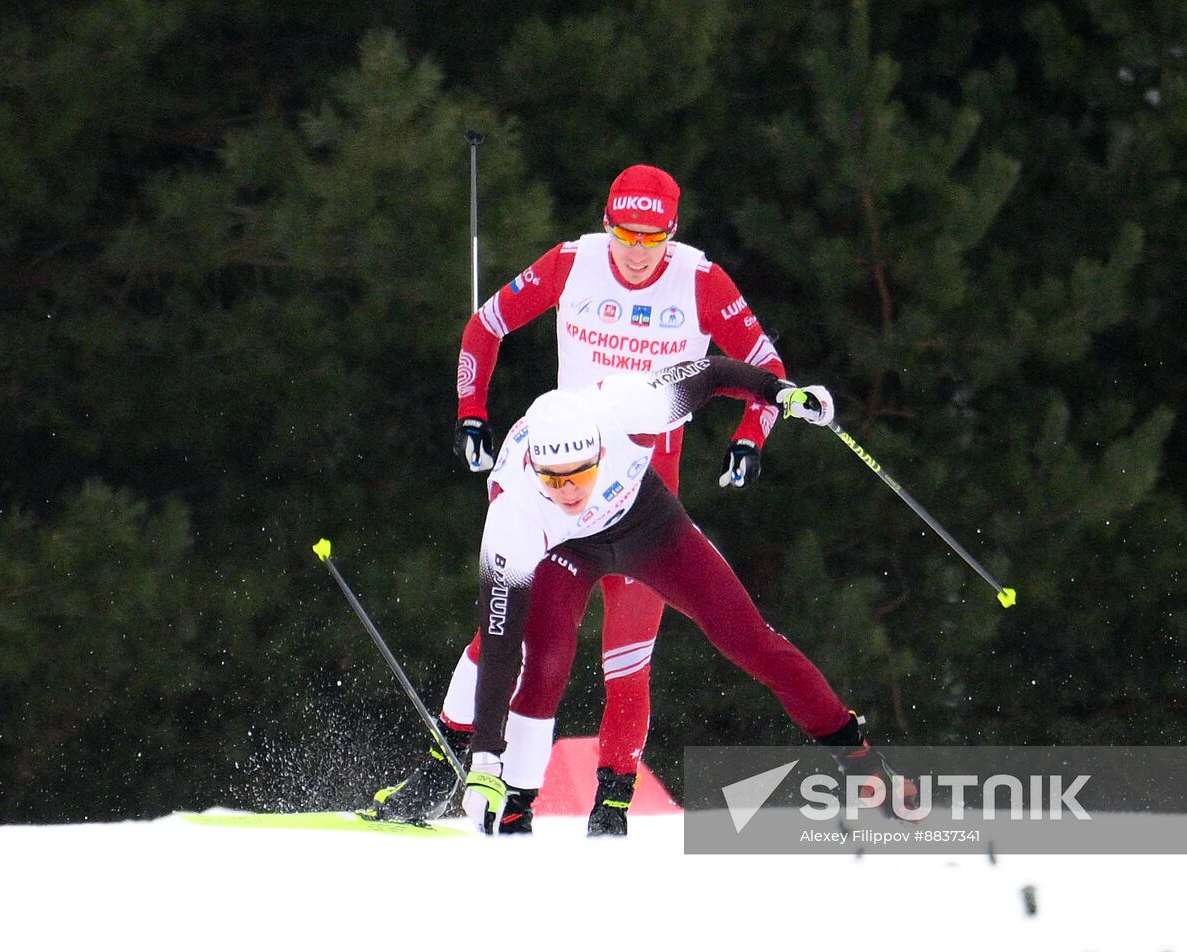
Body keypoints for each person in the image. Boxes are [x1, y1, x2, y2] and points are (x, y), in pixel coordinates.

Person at [374, 165, 790, 836]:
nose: (636, 249)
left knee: (628, 660)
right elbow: (484, 327)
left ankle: (614, 803)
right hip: (564, 492)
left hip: (646, 506)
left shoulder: (700, 280)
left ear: (671, 233)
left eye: (651, 236)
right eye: (624, 232)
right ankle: (443, 768)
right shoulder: (572, 262)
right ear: (606, 224)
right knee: (507, 635)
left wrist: (750, 436)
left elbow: (765, 367)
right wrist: (470, 414)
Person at [451, 356, 914, 834]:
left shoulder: (628, 405)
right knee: (546, 657)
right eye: (554, 478)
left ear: (600, 452)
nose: (569, 491)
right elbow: (501, 638)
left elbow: (712, 374)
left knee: (747, 637)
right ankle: (513, 801)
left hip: (646, 523)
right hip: (567, 549)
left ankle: (858, 757)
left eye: (581, 474)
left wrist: (780, 393)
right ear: (533, 467)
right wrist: (486, 760)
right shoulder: (514, 511)